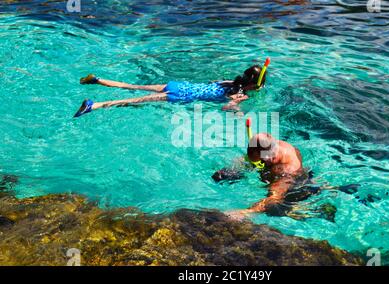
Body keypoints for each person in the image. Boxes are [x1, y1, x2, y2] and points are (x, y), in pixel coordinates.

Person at [213, 130, 359, 221]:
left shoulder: (283, 170)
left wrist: (245, 212)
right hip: (302, 174)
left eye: (259, 160)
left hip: (294, 186)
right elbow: (253, 155)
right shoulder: (275, 145)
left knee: (277, 210)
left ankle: (319, 210)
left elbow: (273, 198)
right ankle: (325, 189)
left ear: (268, 158)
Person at [73, 58, 270, 117]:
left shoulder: (228, 82)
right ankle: (94, 105)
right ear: (254, 85)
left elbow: (212, 86)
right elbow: (226, 108)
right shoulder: (240, 94)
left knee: (133, 86)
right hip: (180, 96)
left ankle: (97, 80)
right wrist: (238, 112)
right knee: (129, 101)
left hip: (180, 85)